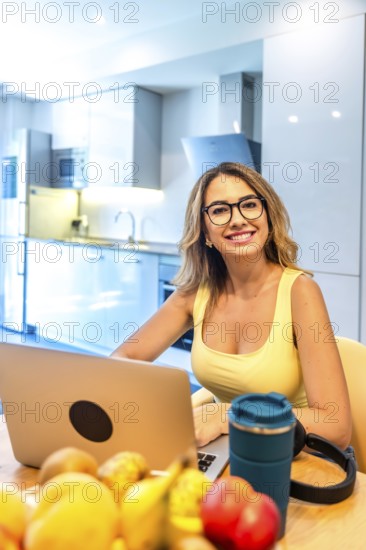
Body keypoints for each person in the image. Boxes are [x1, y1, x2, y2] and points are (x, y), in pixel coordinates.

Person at [112, 162, 351, 450]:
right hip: (224, 450)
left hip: (293, 457)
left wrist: (230, 415)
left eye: (249, 204)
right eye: (220, 210)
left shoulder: (299, 292)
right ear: (204, 230)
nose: (237, 219)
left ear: (268, 216)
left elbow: (335, 426)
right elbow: (122, 360)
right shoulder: (196, 293)